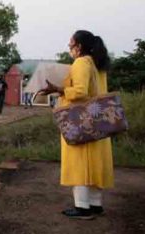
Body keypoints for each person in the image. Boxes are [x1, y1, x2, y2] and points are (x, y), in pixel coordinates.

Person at [39, 30, 114, 220]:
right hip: (98, 120)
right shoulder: (98, 64)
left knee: (79, 163)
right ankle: (96, 204)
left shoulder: (81, 62)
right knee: (97, 163)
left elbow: (80, 92)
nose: (70, 48)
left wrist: (58, 89)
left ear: (78, 46)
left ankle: (82, 207)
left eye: (71, 45)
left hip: (80, 121)